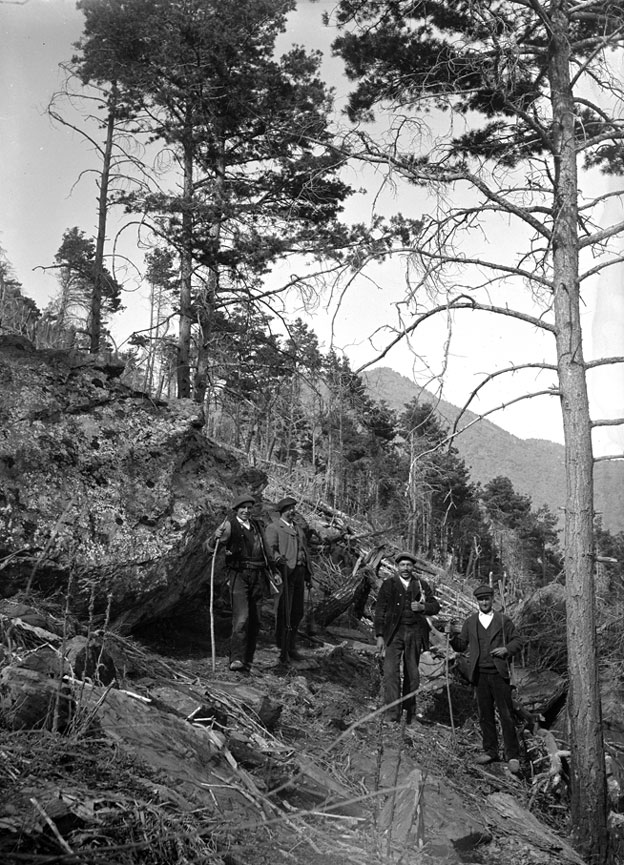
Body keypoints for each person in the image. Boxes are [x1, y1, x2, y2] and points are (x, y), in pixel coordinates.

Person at [447, 583, 522, 774]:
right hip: (479, 674)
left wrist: (506, 649)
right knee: (485, 714)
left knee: (506, 715)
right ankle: (491, 751)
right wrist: (451, 637)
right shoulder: (470, 622)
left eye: (487, 599)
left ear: (492, 599)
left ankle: (513, 755)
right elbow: (461, 645)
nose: (484, 602)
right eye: (481, 599)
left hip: (499, 674)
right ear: (477, 601)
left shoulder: (503, 621)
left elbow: (518, 641)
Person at [208, 493, 279, 672]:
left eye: (249, 508)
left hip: (258, 575)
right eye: (243, 508)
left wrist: (274, 571)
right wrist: (214, 537)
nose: (246, 511)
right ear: (236, 509)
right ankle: (236, 658)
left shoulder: (257, 525)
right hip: (238, 575)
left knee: (255, 620)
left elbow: (266, 552)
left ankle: (248, 659)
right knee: (241, 618)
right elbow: (209, 548)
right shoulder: (228, 525)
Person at [374, 551, 441, 723]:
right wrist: (380, 635)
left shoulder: (421, 585)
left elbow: (435, 606)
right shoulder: (389, 584)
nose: (406, 568)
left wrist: (422, 607)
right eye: (402, 565)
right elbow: (380, 611)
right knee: (390, 672)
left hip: (414, 634)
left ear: (413, 567)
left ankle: (409, 713)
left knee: (413, 675)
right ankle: (392, 712)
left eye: (409, 565)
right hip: (393, 633)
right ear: (397, 567)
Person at [265, 496, 313, 663]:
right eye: (289, 509)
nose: (293, 511)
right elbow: (270, 550)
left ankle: (291, 646)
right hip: (285, 574)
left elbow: (305, 552)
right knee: (284, 611)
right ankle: (281, 647)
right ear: (282, 512)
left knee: (297, 612)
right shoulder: (274, 528)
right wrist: (278, 560)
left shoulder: (298, 529)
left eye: (294, 508)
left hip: (299, 573)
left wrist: (308, 574)